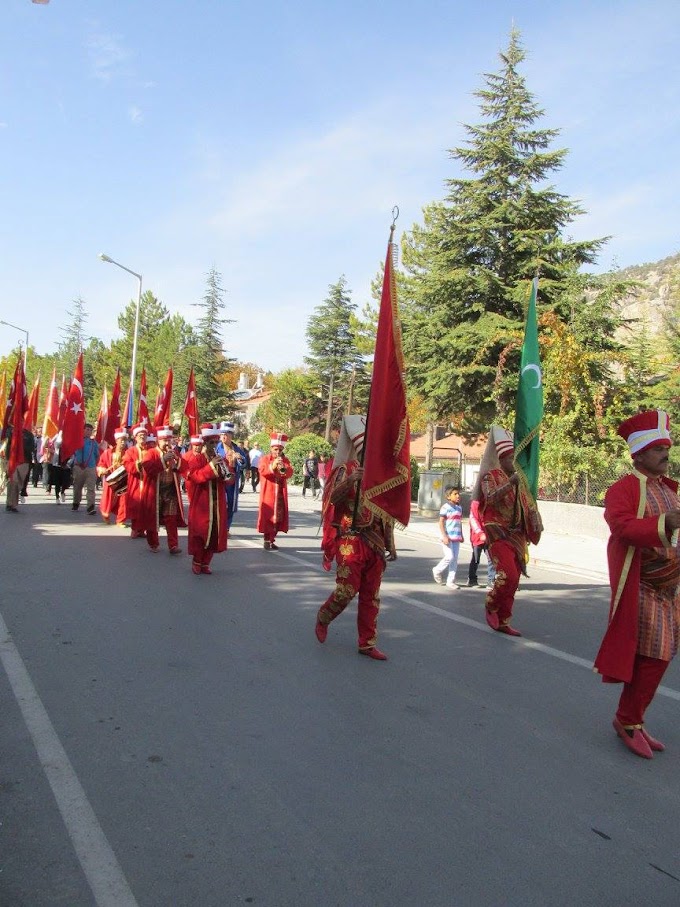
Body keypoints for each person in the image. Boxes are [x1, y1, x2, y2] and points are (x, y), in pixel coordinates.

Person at [594, 409, 680, 759]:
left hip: (670, 590)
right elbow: (623, 528)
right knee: (654, 656)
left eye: (667, 448)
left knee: (658, 657)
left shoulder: (670, 490)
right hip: (642, 585)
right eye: (658, 448)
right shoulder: (623, 489)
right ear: (640, 453)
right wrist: (665, 523)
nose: (665, 454)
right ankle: (628, 721)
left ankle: (633, 720)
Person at [314, 415, 396, 661]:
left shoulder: (381, 474)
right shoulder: (345, 470)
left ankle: (367, 643)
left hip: (375, 541)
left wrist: (391, 542)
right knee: (347, 590)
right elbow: (331, 500)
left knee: (371, 595)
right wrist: (351, 481)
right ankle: (324, 616)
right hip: (350, 539)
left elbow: (386, 511)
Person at [473, 425, 542, 637]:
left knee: (515, 581)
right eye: (511, 458)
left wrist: (536, 521)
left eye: (516, 459)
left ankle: (504, 620)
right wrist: (509, 485)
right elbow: (490, 498)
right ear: (502, 459)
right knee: (507, 576)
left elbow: (529, 507)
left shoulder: (521, 482)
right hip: (498, 534)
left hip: (517, 537)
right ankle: (491, 604)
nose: (515, 463)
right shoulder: (490, 476)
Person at [184, 423, 235, 575]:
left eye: (215, 442)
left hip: (217, 502)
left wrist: (229, 471)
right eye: (211, 443)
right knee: (201, 532)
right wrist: (211, 467)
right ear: (204, 443)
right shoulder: (197, 459)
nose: (213, 446)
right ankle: (197, 561)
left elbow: (229, 481)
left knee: (215, 533)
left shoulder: (221, 459)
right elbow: (195, 477)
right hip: (202, 502)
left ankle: (206, 563)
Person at [257, 432, 294, 549]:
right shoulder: (265, 459)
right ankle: (267, 539)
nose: (277, 452)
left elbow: (289, 472)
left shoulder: (285, 459)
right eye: (275, 449)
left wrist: (284, 469)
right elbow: (262, 471)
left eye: (280, 450)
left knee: (279, 517)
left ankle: (272, 539)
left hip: (280, 493)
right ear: (271, 448)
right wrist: (272, 467)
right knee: (268, 515)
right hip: (269, 491)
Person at [216, 421, 247, 530]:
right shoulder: (216, 448)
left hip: (232, 481)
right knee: (220, 503)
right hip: (219, 480)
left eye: (226, 434)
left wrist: (239, 459)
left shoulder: (237, 449)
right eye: (222, 434)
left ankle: (226, 528)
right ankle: (219, 526)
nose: (223, 437)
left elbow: (244, 464)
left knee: (231, 504)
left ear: (231, 435)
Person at [432, 485, 463, 588]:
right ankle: (437, 570)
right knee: (449, 557)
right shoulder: (445, 507)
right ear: (448, 496)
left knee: (454, 559)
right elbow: (441, 522)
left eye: (458, 493)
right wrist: (444, 536)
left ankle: (451, 581)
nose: (458, 495)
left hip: (456, 537)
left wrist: (461, 534)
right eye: (455, 494)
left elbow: (459, 522)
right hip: (447, 537)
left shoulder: (459, 508)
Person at [97, 428, 128, 526]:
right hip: (111, 479)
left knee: (123, 500)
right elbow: (101, 464)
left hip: (123, 480)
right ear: (116, 440)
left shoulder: (128, 453)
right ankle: (105, 513)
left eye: (125, 440)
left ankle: (120, 520)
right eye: (121, 440)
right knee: (108, 499)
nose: (123, 442)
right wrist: (102, 470)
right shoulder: (108, 453)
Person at [3, 425, 34, 513]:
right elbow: (6, 438)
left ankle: (13, 503)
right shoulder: (10, 432)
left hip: (24, 461)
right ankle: (10, 504)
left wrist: (21, 445)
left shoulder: (29, 435)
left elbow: (31, 448)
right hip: (13, 460)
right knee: (13, 481)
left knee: (19, 484)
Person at [467, 498, 496, 588]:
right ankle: (472, 579)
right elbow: (473, 520)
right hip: (477, 537)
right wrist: (480, 533)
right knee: (476, 559)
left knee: (492, 558)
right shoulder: (475, 503)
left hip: (489, 536)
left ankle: (491, 580)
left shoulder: (491, 502)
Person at [71, 422, 99, 514]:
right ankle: (76, 502)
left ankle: (90, 506)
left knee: (91, 488)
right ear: (82, 430)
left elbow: (97, 455)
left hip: (90, 467)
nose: (89, 432)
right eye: (87, 430)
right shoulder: (77, 440)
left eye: (91, 430)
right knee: (77, 487)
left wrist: (94, 464)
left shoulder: (93, 443)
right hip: (78, 467)